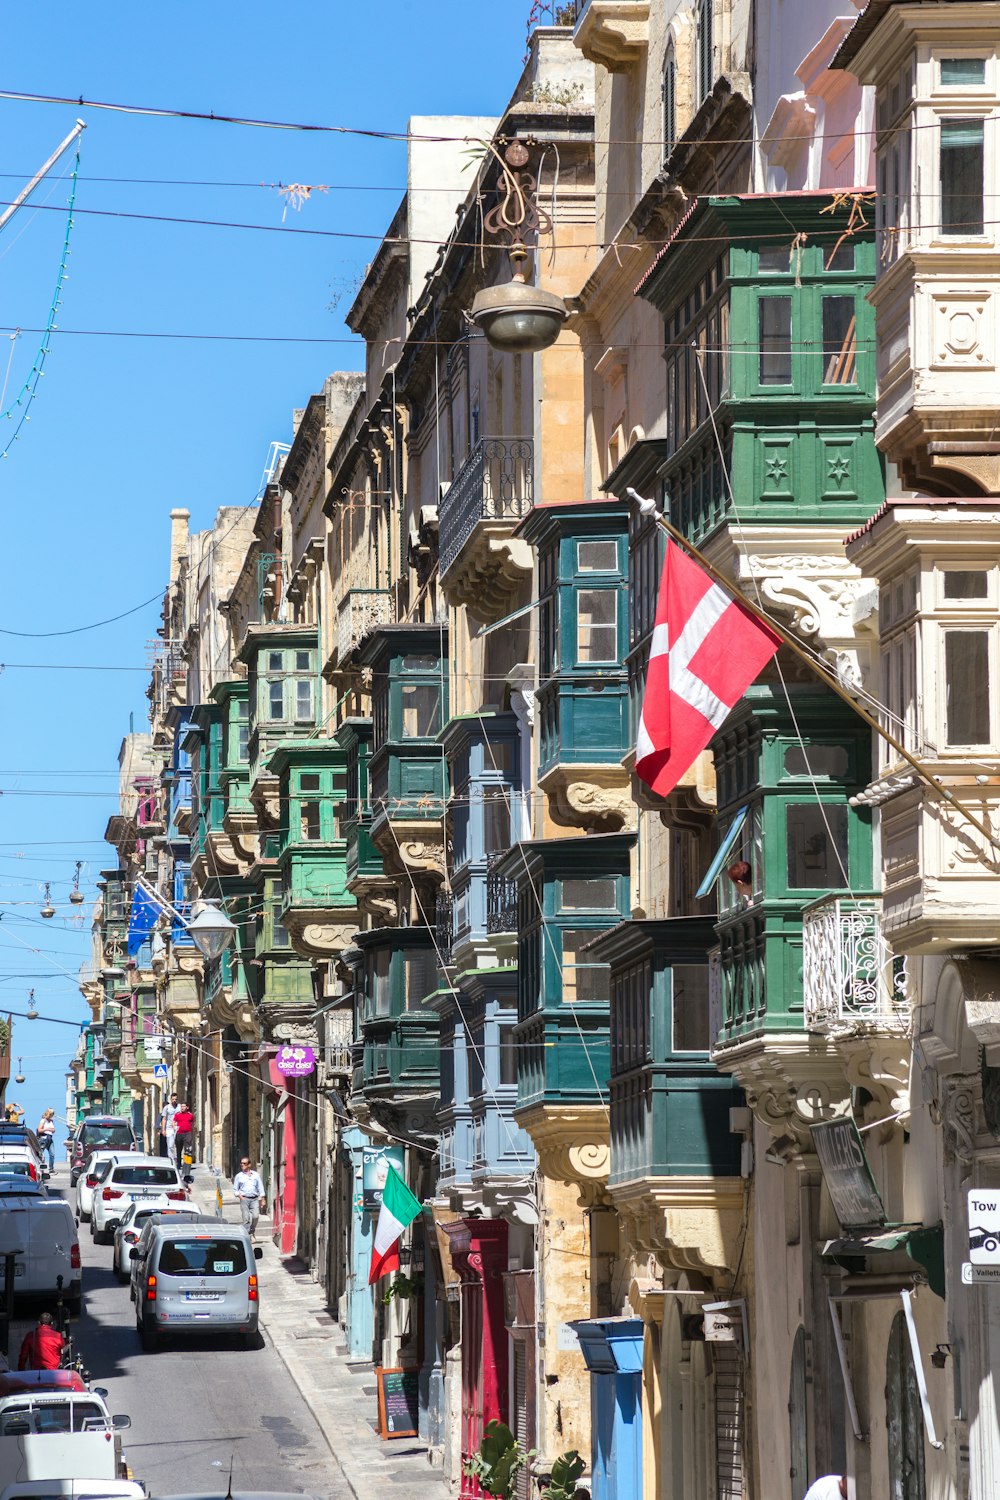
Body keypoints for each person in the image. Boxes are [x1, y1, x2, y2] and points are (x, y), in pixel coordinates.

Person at [233, 1157, 266, 1238]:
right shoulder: (239, 1176)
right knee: (246, 1218)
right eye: (241, 1163)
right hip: (244, 1199)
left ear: (249, 1165)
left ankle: (252, 1231)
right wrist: (240, 1196)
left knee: (255, 1216)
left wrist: (263, 1198)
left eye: (244, 1163)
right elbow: (235, 1189)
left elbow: (260, 1187)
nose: (242, 1165)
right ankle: (247, 1236)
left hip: (254, 1199)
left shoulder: (256, 1175)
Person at [173, 1101, 194, 1173]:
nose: (182, 1108)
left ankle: (187, 1164)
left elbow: (192, 1123)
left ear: (187, 1107)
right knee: (179, 1149)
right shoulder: (177, 1114)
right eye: (181, 1106)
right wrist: (174, 1127)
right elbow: (174, 1122)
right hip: (179, 1134)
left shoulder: (190, 1115)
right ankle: (178, 1163)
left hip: (187, 1134)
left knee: (187, 1149)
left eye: (184, 1106)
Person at [159, 1092, 179, 1161]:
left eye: (175, 1099)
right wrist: (163, 1129)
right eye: (173, 1099)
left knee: (177, 1144)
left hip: (177, 1127)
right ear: (171, 1099)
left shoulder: (179, 1107)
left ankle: (177, 1159)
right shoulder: (167, 1108)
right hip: (169, 1128)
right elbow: (164, 1119)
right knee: (170, 1145)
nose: (174, 1101)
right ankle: (171, 1159)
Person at [36, 1109, 56, 1174]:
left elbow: (53, 1129)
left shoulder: (51, 1121)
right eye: (51, 1114)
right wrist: (47, 1129)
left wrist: (52, 1130)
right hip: (44, 1138)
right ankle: (40, 1168)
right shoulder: (43, 1120)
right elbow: (39, 1130)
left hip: (50, 1138)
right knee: (41, 1154)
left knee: (52, 1154)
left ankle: (51, 1169)